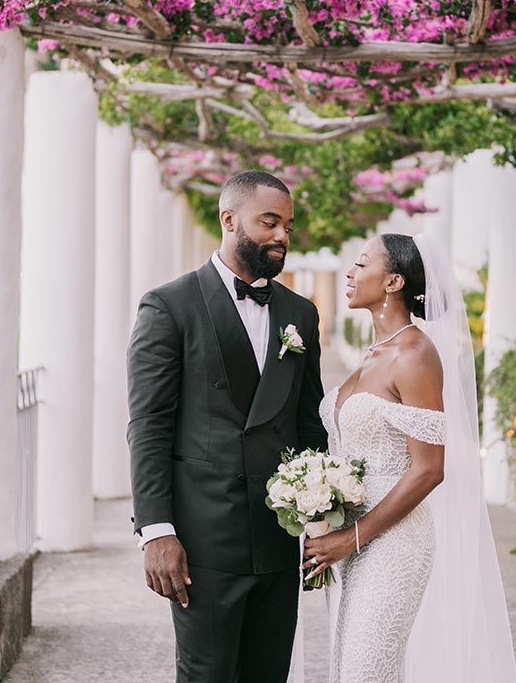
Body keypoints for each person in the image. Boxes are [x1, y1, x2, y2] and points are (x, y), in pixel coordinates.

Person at [127, 170, 329, 683]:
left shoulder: (300, 315)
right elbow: (148, 426)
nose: (282, 235)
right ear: (229, 219)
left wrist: (321, 516)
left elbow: (308, 424)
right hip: (203, 543)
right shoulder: (168, 306)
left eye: (288, 225)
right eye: (269, 222)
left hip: (279, 542)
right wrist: (157, 531)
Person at [304, 233, 516, 683]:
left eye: (362, 264)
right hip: (350, 537)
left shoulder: (416, 355)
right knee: (347, 668)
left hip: (394, 540)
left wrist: (353, 537)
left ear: (393, 281)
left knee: (367, 672)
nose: (350, 271)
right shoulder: (373, 354)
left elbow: (429, 469)